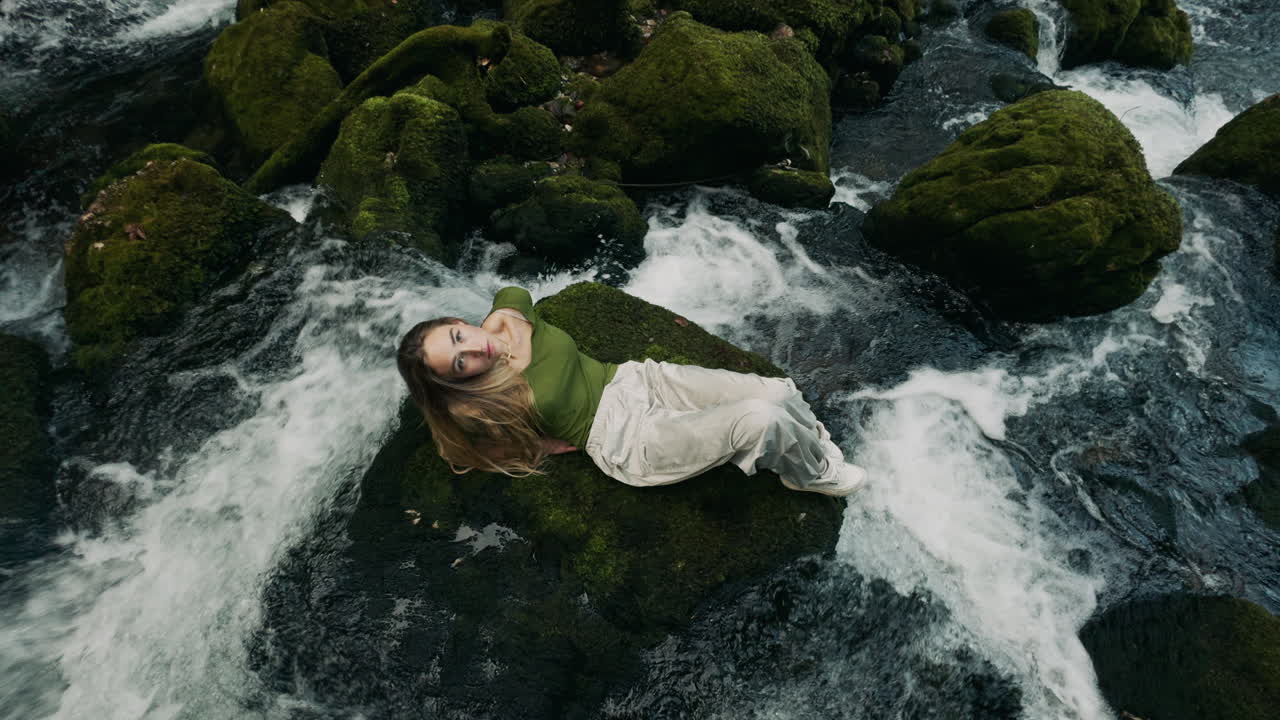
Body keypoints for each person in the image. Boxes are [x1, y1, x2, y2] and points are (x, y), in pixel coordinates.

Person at [396, 286, 867, 496]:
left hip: (638, 379)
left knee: (778, 392)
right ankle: (810, 475)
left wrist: (506, 319)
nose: (472, 352)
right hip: (626, 436)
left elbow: (513, 291)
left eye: (459, 337)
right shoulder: (485, 399)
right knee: (759, 421)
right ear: (457, 379)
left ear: (458, 323)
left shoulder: (507, 324)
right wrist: (541, 446)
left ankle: (810, 444)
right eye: (459, 364)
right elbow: (466, 446)